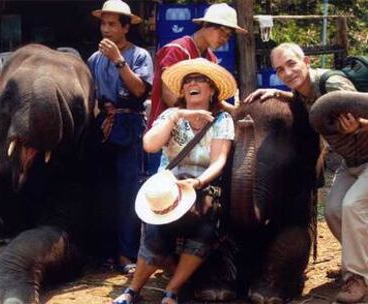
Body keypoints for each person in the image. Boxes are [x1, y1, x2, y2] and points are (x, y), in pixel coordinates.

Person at [244, 42, 368, 303]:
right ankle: (358, 263)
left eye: (291, 64)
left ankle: (357, 278)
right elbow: (309, 103)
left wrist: (358, 126)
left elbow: (357, 114)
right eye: (280, 70)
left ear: (307, 62)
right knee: (333, 209)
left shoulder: (334, 84)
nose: (287, 73)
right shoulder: (301, 91)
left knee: (353, 205)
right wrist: (277, 93)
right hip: (351, 162)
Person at [112, 58, 237, 304]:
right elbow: (149, 145)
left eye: (200, 80)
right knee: (155, 226)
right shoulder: (171, 115)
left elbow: (218, 162)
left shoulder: (222, 120)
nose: (193, 83)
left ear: (212, 90)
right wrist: (177, 114)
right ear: (182, 90)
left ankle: (172, 289)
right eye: (188, 80)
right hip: (168, 184)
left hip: (202, 183)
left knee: (205, 219)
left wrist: (198, 184)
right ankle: (133, 290)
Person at [87, 0, 153, 275]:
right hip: (103, 126)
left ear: (126, 27)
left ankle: (126, 254)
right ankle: (104, 253)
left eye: (112, 24)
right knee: (103, 193)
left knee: (129, 193)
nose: (106, 29)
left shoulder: (140, 56)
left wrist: (118, 60)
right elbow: (89, 96)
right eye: (103, 23)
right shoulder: (93, 59)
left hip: (130, 125)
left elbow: (140, 91)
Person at [144, 3, 246, 175]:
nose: (224, 39)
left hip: (199, 134)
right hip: (169, 134)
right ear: (206, 26)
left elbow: (213, 100)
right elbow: (168, 94)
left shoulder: (211, 59)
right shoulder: (177, 50)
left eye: (228, 36)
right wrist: (191, 113)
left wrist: (236, 111)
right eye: (221, 32)